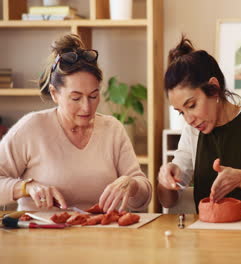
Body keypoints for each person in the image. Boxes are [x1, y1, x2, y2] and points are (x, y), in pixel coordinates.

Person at [0, 34, 152, 212]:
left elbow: (144, 199)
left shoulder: (113, 129)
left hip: (103, 235)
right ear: (54, 93)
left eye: (93, 96)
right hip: (42, 236)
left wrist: (131, 184)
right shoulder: (32, 127)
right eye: (76, 98)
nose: (86, 107)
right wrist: (26, 187)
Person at [157, 36, 241, 215]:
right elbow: (168, 201)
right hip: (207, 239)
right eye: (181, 112)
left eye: (191, 106)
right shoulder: (192, 132)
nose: (188, 119)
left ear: (214, 89)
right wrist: (166, 180)